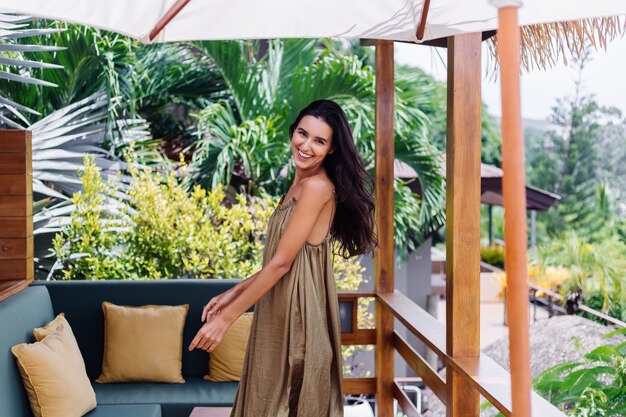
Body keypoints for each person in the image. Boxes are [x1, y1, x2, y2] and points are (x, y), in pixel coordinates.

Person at [188, 99, 377, 416]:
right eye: (303, 133)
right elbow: (284, 259)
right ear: (293, 132)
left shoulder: (317, 186)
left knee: (279, 404)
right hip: (279, 312)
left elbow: (281, 265)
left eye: (319, 141)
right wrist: (231, 293)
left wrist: (226, 319)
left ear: (331, 149)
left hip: (298, 322)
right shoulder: (299, 184)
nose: (306, 145)